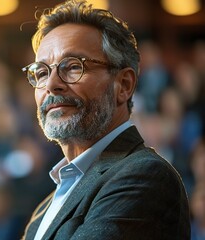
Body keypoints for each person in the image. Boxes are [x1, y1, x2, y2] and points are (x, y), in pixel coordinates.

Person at [20, 1, 190, 239]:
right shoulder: (43, 210)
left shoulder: (145, 176)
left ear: (124, 85)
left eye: (72, 67)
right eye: (41, 72)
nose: (51, 84)